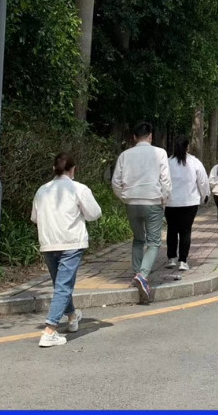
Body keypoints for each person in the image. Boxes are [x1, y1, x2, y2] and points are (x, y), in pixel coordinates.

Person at [31, 153, 102, 347]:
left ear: (53, 169)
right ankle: (50, 330)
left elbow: (35, 218)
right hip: (71, 243)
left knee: (61, 284)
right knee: (63, 286)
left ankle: (71, 317)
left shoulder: (42, 190)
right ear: (73, 169)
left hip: (48, 242)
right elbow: (94, 213)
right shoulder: (79, 188)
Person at [112, 121, 171, 304]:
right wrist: (164, 199)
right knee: (154, 242)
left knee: (138, 239)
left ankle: (136, 273)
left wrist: (124, 197)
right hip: (152, 201)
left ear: (134, 137)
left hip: (132, 202)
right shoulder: (160, 153)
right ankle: (142, 275)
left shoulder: (125, 155)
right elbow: (166, 180)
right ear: (151, 136)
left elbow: (116, 182)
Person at [165, 135, 209, 276]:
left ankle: (171, 258)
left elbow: (162, 180)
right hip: (189, 202)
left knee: (172, 230)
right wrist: (205, 195)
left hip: (171, 202)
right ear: (187, 147)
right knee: (185, 231)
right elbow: (203, 181)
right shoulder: (195, 162)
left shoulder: (168, 162)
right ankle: (183, 261)